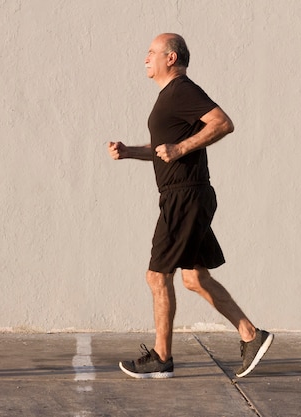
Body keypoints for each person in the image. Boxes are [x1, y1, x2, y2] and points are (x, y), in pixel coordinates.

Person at [108, 34, 273, 379]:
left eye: (151, 52)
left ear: (170, 58)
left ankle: (162, 357)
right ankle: (251, 336)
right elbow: (162, 148)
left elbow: (223, 123)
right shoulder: (170, 97)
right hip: (186, 195)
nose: (145, 58)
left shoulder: (182, 89)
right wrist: (130, 151)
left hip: (185, 195)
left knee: (156, 276)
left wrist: (182, 150)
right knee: (195, 277)